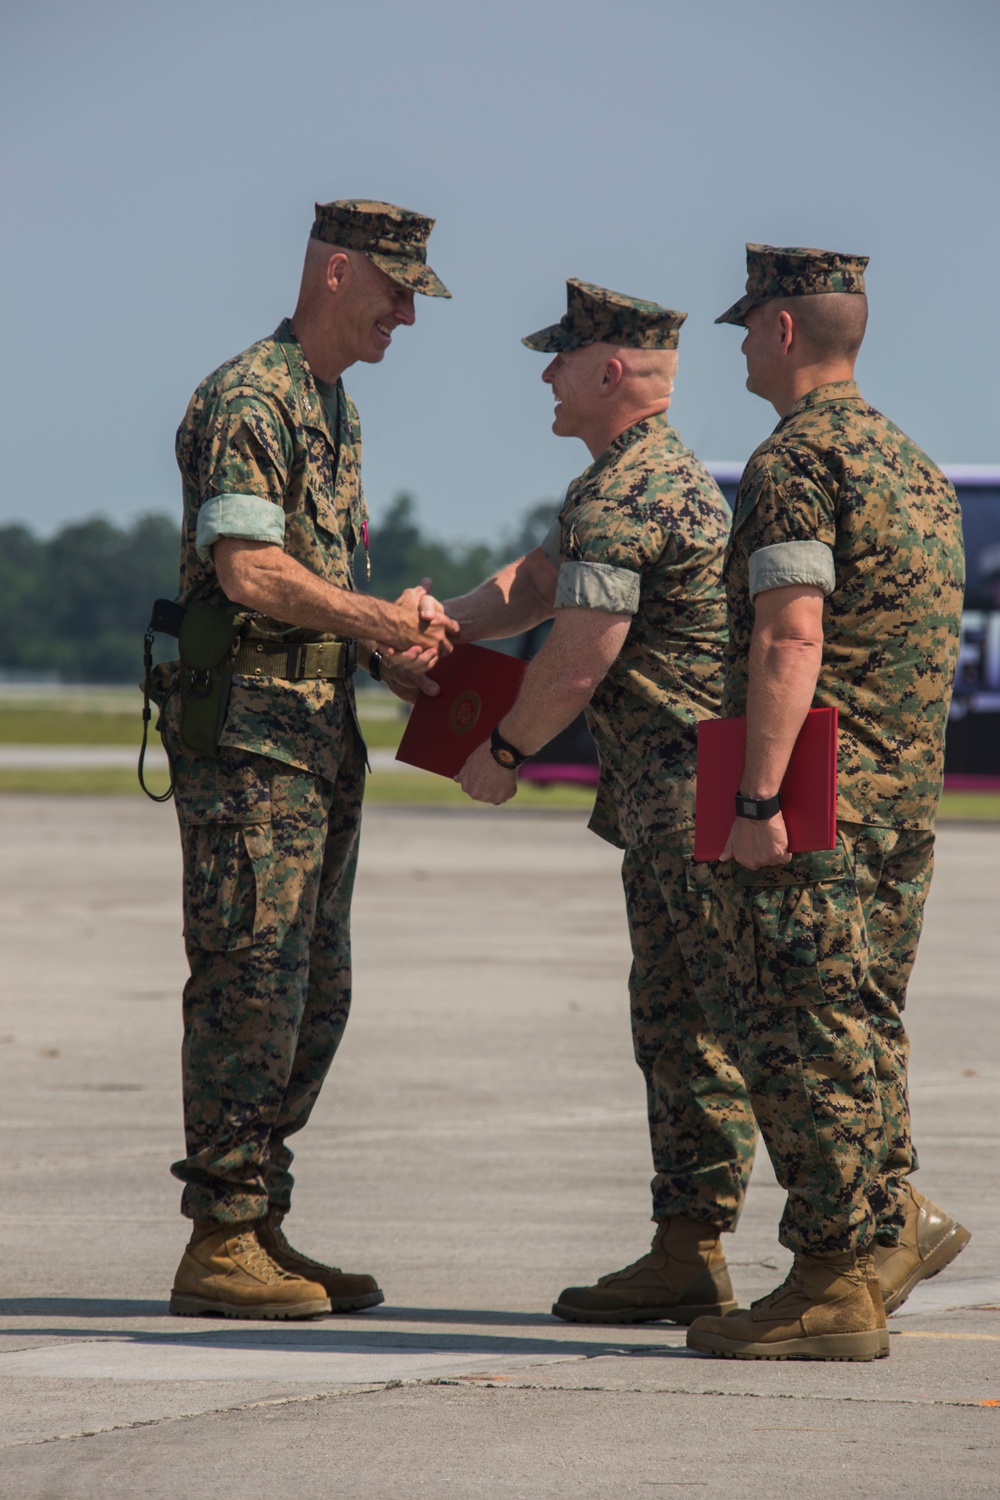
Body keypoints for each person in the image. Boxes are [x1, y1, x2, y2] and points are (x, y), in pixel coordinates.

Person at [162, 199, 456, 1320]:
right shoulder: (253, 397)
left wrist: (390, 653)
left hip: (312, 739)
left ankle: (260, 1225)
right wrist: (376, 620)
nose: (405, 318)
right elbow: (246, 570)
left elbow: (317, 591)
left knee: (310, 992)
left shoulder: (334, 409)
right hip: (246, 743)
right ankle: (220, 1239)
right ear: (336, 273)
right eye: (394, 292)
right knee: (249, 979)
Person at [444, 279, 758, 1325]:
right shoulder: (617, 483)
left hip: (687, 790)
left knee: (740, 1027)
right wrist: (436, 627)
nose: (544, 375)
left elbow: (579, 657)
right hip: (666, 796)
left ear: (608, 371)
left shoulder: (635, 493)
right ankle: (687, 1249)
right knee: (675, 1024)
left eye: (559, 358)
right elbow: (536, 587)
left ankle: (879, 1221)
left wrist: (501, 748)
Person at [687, 244, 969, 1362]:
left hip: (818, 798)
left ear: (785, 332)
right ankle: (884, 1230)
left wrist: (758, 796)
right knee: (861, 1026)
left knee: (798, 1029)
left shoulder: (793, 462)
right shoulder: (911, 463)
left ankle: (830, 1280)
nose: (744, 347)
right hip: (899, 802)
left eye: (748, 327)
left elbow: (789, 632)